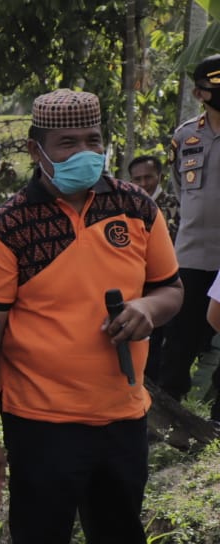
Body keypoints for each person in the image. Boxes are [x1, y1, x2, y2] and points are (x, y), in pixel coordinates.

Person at [0, 88, 182, 544]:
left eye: (93, 140)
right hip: (41, 426)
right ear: (39, 150)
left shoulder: (138, 208)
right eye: (68, 143)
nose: (84, 153)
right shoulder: (6, 228)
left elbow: (172, 288)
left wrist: (149, 310)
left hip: (123, 418)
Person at [159, 53, 220, 420]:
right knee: (180, 335)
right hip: (193, 254)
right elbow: (180, 188)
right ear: (200, 93)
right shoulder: (185, 136)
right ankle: (168, 409)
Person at [131, 154, 181, 381]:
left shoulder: (172, 204)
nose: (143, 184)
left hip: (164, 281)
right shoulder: (128, 205)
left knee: (160, 338)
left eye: (148, 177)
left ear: (159, 176)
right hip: (134, 283)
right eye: (137, 179)